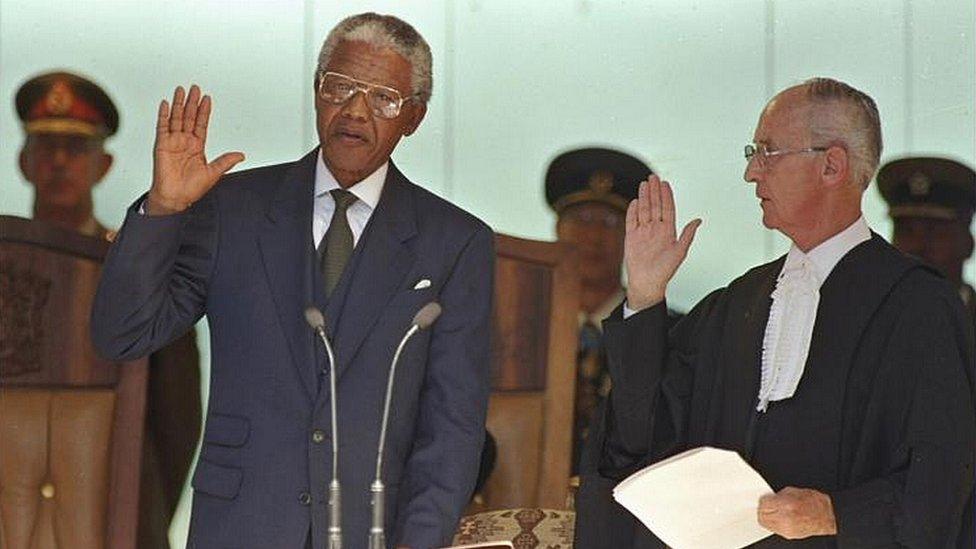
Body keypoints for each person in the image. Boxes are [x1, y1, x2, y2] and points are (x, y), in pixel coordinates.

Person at [91, 13, 493, 549]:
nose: (354, 110)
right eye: (340, 87)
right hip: (240, 525)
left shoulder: (453, 242)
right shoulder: (232, 209)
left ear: (413, 117)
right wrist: (164, 209)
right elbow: (123, 334)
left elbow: (452, 429)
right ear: (316, 92)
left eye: (382, 98)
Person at [585, 78, 975, 548]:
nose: (751, 172)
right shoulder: (737, 303)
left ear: (832, 165)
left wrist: (836, 514)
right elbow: (640, 439)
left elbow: (942, 483)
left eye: (767, 152)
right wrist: (646, 296)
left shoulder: (918, 309)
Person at [16, 71, 201, 549]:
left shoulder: (137, 269)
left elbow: (176, 421)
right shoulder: (4, 263)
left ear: (103, 165)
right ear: (23, 161)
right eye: (46, 147)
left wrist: (143, 516)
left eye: (76, 150)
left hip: (117, 514)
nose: (59, 162)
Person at [544, 147, 650, 473]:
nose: (593, 236)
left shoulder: (665, 331)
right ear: (558, 229)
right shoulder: (519, 331)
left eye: (609, 222)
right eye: (582, 219)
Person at [878, 156, 976, 322]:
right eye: (906, 231)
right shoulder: (868, 323)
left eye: (935, 232)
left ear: (968, 243)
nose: (917, 246)